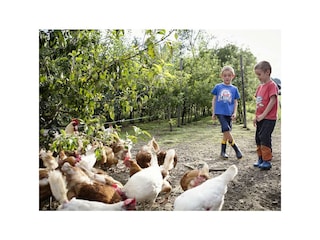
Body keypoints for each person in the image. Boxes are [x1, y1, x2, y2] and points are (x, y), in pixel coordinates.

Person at [211, 65, 242, 159]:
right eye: (225, 75)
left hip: (229, 113)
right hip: (220, 112)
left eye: (229, 75)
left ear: (233, 76)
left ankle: (223, 152)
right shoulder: (218, 87)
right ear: (221, 76)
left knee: (226, 133)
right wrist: (213, 112)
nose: (227, 77)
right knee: (226, 129)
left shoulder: (234, 89)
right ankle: (236, 149)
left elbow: (235, 102)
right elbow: (214, 99)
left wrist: (235, 113)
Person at [253, 61, 279, 170]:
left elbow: (272, 101)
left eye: (259, 74)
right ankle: (260, 158)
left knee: (264, 137)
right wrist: (256, 116)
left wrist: (263, 115)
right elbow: (258, 104)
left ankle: (267, 160)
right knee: (258, 138)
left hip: (269, 118)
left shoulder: (272, 85)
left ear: (267, 72)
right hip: (260, 117)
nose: (258, 77)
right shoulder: (260, 87)